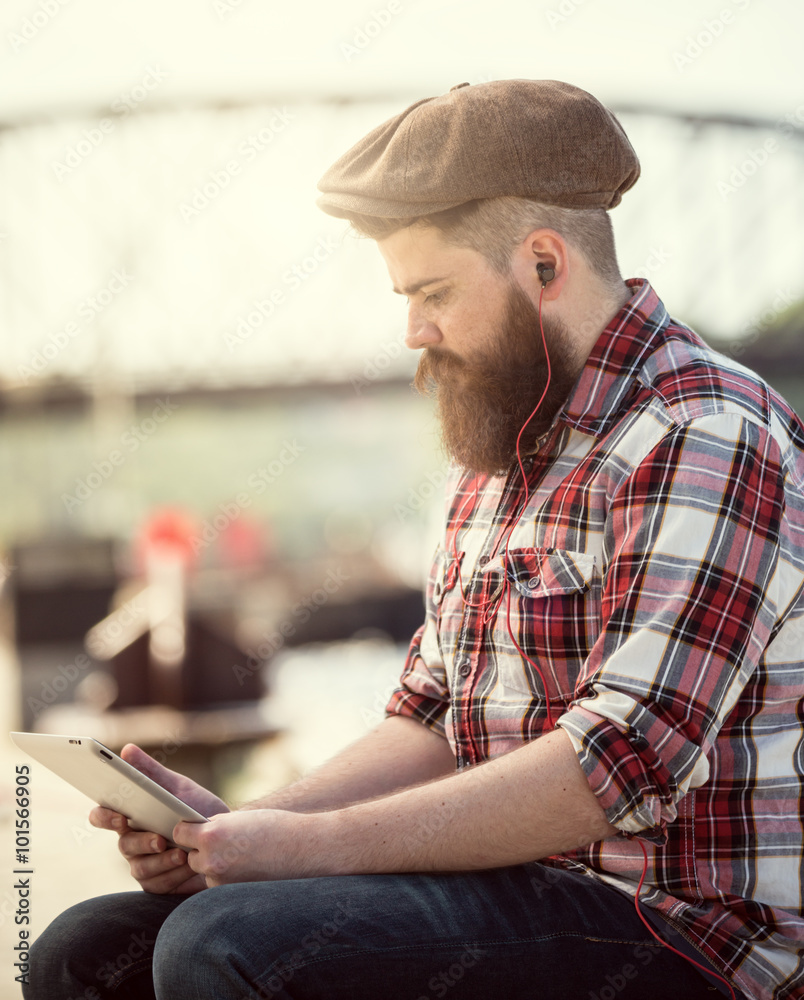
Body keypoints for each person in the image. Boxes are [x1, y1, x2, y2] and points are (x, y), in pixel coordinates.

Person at [24, 79, 804, 1000]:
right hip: (517, 887)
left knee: (222, 943)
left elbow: (616, 765)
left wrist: (301, 851)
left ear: (544, 264)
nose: (411, 331)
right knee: (84, 948)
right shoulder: (498, 447)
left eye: (432, 291)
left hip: (681, 931)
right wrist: (234, 829)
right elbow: (432, 716)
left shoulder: (704, 430)